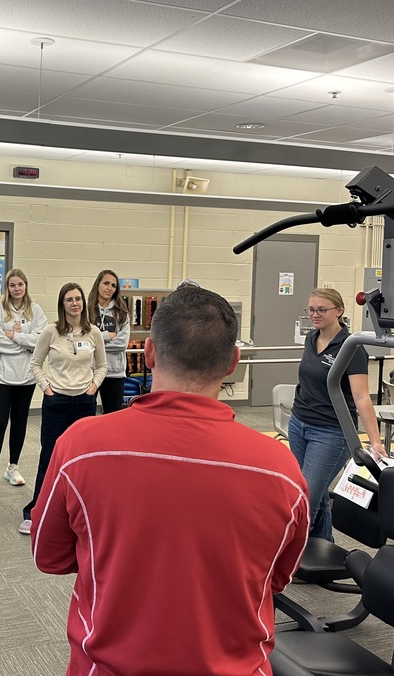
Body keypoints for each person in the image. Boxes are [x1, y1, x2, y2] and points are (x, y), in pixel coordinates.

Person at [30, 285, 309, 676]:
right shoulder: (281, 470)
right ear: (234, 362)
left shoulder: (81, 447)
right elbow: (276, 578)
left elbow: (50, 556)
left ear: (148, 354)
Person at [289, 287, 386, 542]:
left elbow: (362, 397)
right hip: (299, 423)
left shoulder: (351, 348)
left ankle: (291, 553)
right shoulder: (312, 338)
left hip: (330, 433)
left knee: (306, 496)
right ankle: (321, 547)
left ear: (339, 311)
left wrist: (375, 441)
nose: (315, 315)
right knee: (311, 492)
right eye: (311, 309)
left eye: (321, 310)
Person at [19, 282, 106, 535]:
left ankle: (80, 511)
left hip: (84, 403)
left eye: (78, 299)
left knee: (81, 459)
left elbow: (102, 366)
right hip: (55, 402)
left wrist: (92, 388)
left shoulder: (94, 334)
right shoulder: (51, 332)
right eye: (69, 299)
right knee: (49, 458)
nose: (75, 303)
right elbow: (35, 364)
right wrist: (47, 388)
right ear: (62, 304)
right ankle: (35, 512)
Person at [0, 268, 48, 499]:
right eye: (13, 285)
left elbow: (41, 340)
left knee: (20, 422)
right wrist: (25, 343)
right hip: (1, 377)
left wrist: (16, 337)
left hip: (26, 377)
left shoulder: (36, 310)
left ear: (26, 286)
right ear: (7, 288)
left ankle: (13, 467)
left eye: (20, 284)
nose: (17, 288)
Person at [88, 269, 131, 414]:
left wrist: (95, 341)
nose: (109, 288)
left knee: (112, 416)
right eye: (106, 283)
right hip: (90, 371)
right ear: (98, 284)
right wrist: (107, 336)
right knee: (86, 415)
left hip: (114, 373)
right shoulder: (86, 311)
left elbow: (122, 344)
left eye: (113, 285)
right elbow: (83, 340)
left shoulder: (122, 313)